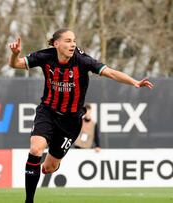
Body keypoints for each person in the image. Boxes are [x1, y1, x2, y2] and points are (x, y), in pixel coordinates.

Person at [8, 28, 153, 203]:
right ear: (56, 43)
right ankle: (29, 201)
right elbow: (15, 65)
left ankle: (54, 162)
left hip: (70, 121)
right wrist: (15, 55)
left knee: (48, 167)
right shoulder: (45, 56)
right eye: (68, 41)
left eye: (74, 41)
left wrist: (135, 82)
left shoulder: (83, 61)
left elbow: (111, 73)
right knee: (35, 150)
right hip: (47, 111)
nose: (73, 44)